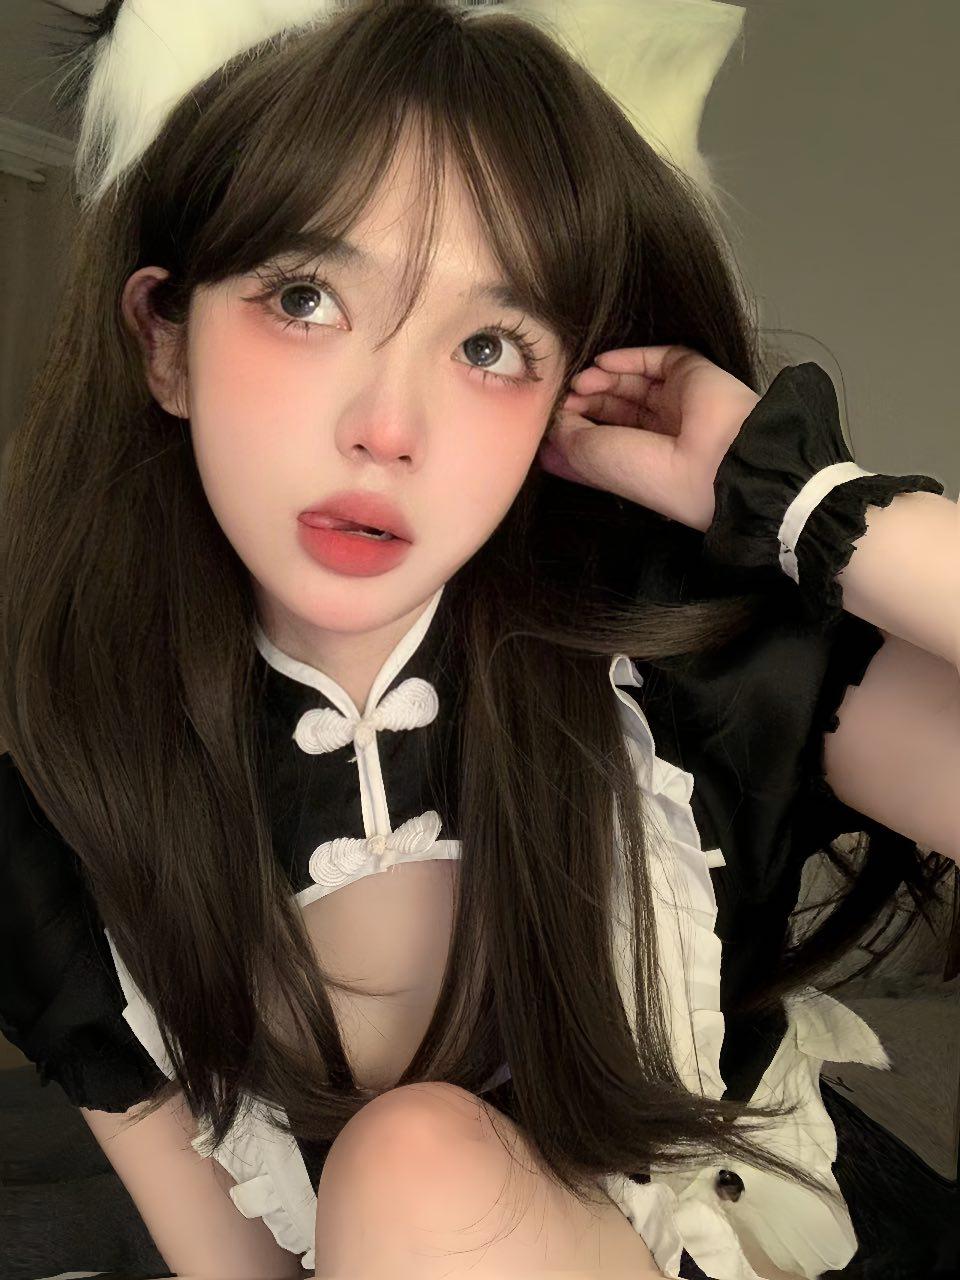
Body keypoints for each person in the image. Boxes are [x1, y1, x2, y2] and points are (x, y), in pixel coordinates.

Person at [1, 2, 956, 1277]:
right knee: (416, 1173)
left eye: (490, 346)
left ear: (562, 395)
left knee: (415, 1165)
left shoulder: (682, 664)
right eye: (306, 298)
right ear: (166, 341)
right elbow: (235, 1260)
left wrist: (805, 500)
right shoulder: (62, 798)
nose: (387, 427)